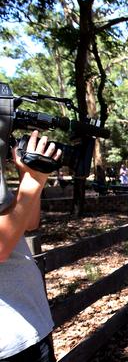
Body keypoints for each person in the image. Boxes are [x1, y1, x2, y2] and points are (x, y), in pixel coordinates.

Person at [0, 130, 61, 361]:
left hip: (31, 325)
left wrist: (26, 171)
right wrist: (36, 178)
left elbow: (29, 222)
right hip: (8, 342)